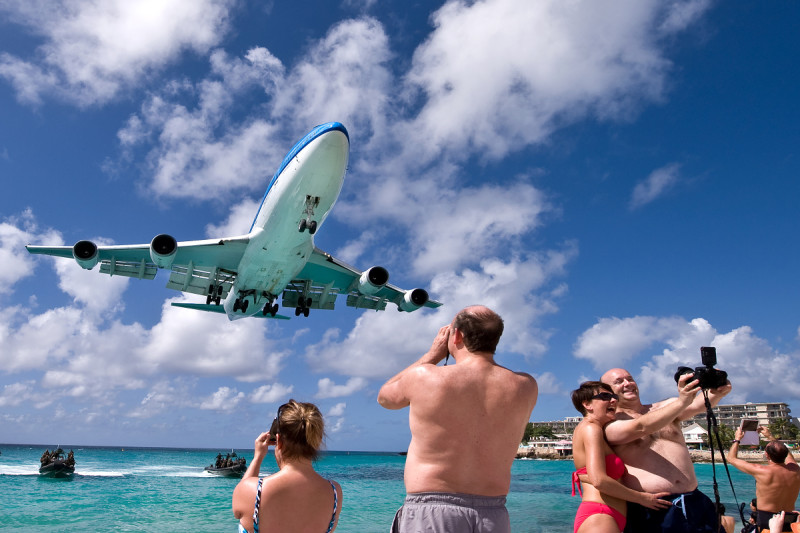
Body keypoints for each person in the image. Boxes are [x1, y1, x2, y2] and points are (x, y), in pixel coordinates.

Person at [377, 305, 538, 533]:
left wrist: (431, 356)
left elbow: (385, 397)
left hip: (432, 509)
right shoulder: (526, 386)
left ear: (457, 335)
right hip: (493, 514)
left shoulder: (424, 377)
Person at [601, 367, 732, 533]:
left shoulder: (668, 406)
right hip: (653, 508)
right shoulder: (609, 424)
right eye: (619, 382)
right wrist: (681, 402)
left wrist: (719, 391)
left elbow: (699, 405)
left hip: (694, 502)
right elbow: (641, 427)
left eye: (630, 378)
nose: (627, 384)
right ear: (607, 391)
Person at [570, 381, 673, 533]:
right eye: (605, 396)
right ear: (587, 405)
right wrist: (642, 498)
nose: (613, 400)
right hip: (600, 515)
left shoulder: (594, 431)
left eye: (613, 396)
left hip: (608, 515)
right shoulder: (591, 429)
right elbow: (599, 481)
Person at [232, 400, 342, 533]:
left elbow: (238, 506)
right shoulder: (334, 492)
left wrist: (258, 458)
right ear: (317, 441)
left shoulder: (253, 491)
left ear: (278, 441)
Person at [727, 426, 800, 532]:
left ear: (767, 455)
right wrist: (770, 436)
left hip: (767, 519)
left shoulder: (762, 471)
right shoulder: (795, 469)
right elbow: (787, 454)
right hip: (789, 518)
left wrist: (737, 439)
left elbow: (731, 458)